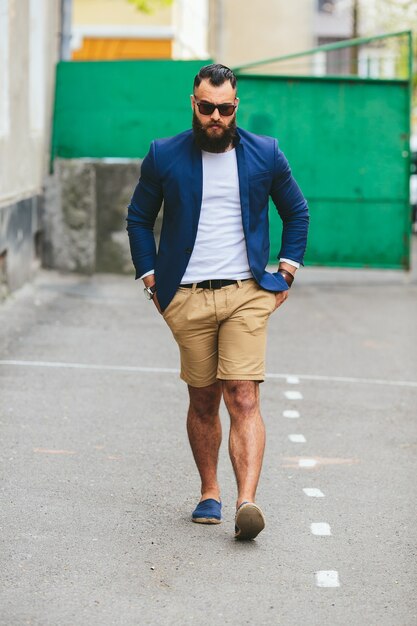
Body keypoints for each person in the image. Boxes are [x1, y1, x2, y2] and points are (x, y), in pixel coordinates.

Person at [127, 64, 309, 540]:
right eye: (206, 107)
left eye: (224, 109)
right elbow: (139, 218)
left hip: (245, 292)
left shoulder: (265, 154)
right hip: (184, 295)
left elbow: (296, 211)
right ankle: (210, 490)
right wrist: (152, 281)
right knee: (203, 399)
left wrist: (286, 271)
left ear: (236, 107)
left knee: (243, 395)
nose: (215, 117)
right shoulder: (164, 155)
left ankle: (248, 501)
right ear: (193, 102)